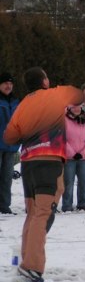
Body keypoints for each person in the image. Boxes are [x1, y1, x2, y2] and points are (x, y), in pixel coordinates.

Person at [3, 67, 83, 281]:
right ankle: (32, 266)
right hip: (49, 160)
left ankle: (25, 259)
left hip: (28, 163)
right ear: (45, 81)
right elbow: (79, 95)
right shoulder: (55, 95)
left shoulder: (22, 105)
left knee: (32, 213)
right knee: (43, 213)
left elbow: (10, 136)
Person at [62, 105, 85, 212]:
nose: (77, 109)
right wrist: (71, 153)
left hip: (83, 158)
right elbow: (61, 138)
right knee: (68, 182)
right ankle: (67, 205)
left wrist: (84, 153)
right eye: (74, 107)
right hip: (69, 157)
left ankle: (82, 203)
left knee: (84, 181)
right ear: (69, 108)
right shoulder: (63, 120)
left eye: (79, 107)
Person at [0, 72, 20, 214]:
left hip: (11, 146)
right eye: (5, 83)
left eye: (10, 83)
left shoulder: (15, 102)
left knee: (7, 177)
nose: (8, 86)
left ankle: (4, 205)